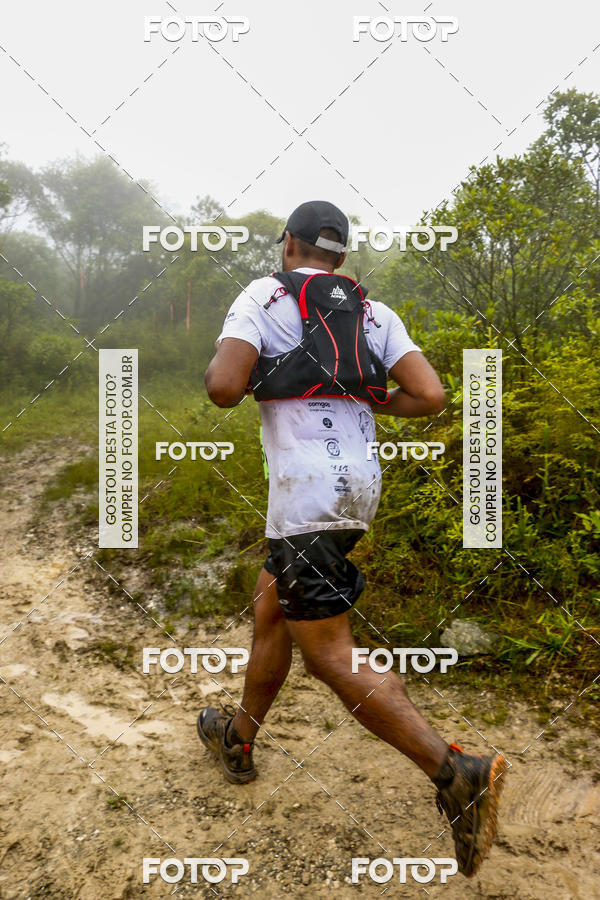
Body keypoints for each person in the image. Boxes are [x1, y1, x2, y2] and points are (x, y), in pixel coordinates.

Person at [198, 200, 506, 877]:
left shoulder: (263, 297)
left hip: (304, 496)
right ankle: (238, 739)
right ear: (340, 256)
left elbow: (222, 388)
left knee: (331, 656)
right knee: (271, 609)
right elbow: (429, 396)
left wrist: (271, 376)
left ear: (289, 244)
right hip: (358, 488)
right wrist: (366, 395)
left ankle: (456, 772)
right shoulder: (374, 313)